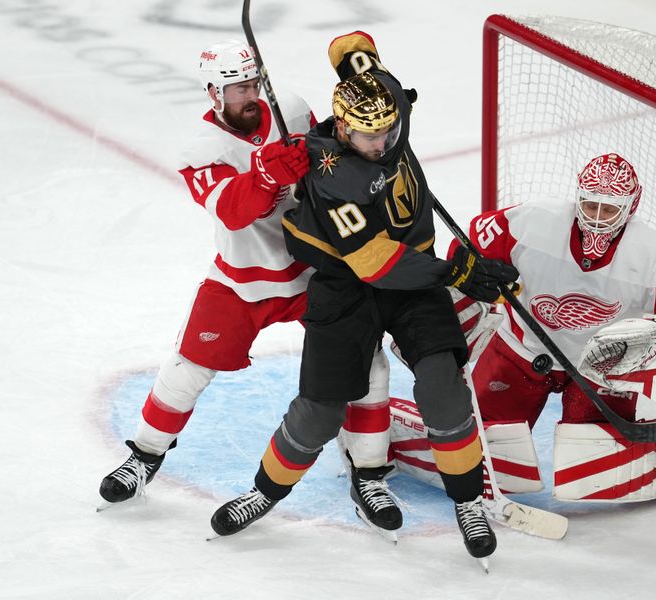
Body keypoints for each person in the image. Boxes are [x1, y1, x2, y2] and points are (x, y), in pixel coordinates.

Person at [207, 31, 518, 562]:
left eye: (390, 131)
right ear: (344, 128)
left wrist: (354, 58)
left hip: (413, 277)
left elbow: (354, 49)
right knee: (320, 413)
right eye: (371, 138)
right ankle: (262, 493)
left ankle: (466, 501)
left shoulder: (386, 108)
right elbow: (375, 263)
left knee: (443, 383)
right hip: (352, 282)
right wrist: (460, 268)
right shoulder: (330, 178)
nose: (385, 144)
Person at [97, 39, 390, 509]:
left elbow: (338, 169)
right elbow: (234, 212)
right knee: (186, 369)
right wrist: (269, 176)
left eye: (253, 83)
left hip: (313, 268)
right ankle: (145, 455)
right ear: (215, 93)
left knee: (366, 361)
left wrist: (320, 161)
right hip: (243, 279)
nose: (249, 94)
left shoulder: (291, 108)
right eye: (237, 89)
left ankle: (370, 469)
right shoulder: (201, 148)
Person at [388, 153, 656, 503]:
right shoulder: (532, 222)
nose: (598, 219)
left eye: (609, 210)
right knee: (486, 446)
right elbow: (467, 247)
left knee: (591, 457)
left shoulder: (655, 255)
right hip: (522, 350)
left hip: (601, 368)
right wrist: (476, 273)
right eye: (590, 206)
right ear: (578, 197)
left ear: (630, 208)